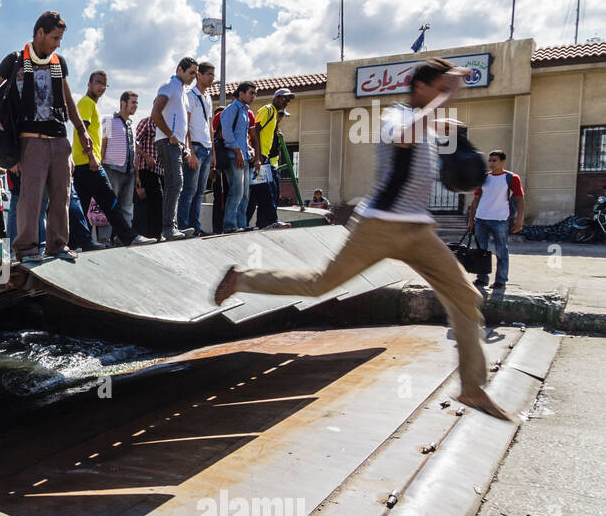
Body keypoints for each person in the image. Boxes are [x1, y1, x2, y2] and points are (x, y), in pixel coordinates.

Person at [213, 58, 509, 420]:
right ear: (421, 88)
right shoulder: (395, 118)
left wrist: (453, 128)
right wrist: (446, 97)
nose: (443, 94)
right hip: (379, 226)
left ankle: (473, 388)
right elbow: (405, 136)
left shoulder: (426, 122)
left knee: (466, 296)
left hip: (418, 230)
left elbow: (432, 132)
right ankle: (242, 278)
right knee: (321, 284)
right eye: (438, 87)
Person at [0, 10, 94, 263]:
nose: (57, 44)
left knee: (62, 197)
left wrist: (81, 129)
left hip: (59, 139)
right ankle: (27, 249)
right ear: (40, 33)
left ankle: (58, 246)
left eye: (60, 40)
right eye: (54, 38)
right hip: (30, 140)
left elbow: (67, 98)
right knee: (30, 199)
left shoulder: (58, 62)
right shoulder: (15, 60)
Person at [71, 70, 150, 249]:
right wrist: (92, 157)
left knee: (83, 206)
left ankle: (77, 243)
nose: (101, 87)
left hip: (83, 164)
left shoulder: (92, 105)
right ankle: (129, 237)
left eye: (104, 84)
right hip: (89, 163)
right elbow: (81, 131)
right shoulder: (85, 103)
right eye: (98, 82)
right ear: (89, 84)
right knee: (111, 202)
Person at [150, 57, 198, 240]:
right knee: (175, 183)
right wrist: (170, 135)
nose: (193, 77)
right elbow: (155, 113)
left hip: (176, 144)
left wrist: (184, 146)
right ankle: (168, 228)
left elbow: (183, 123)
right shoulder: (169, 86)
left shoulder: (183, 92)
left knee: (175, 184)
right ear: (180, 70)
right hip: (166, 142)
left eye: (195, 73)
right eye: (191, 72)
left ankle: (172, 227)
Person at [468, 147, 525, 291]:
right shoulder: (484, 178)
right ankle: (482, 278)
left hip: (500, 219)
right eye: (490, 161)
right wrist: (471, 219)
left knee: (501, 251)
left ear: (503, 161)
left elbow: (519, 199)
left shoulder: (511, 178)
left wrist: (519, 220)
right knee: (481, 250)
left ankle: (500, 280)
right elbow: (475, 199)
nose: (491, 163)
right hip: (481, 219)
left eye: (495, 161)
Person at [248, 89, 295, 230]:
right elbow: (254, 130)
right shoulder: (268, 110)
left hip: (264, 158)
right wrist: (258, 156)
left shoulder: (274, 114)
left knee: (260, 193)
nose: (286, 102)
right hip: (260, 158)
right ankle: (271, 221)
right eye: (284, 99)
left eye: (288, 100)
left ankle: (261, 223)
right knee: (267, 192)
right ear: (276, 98)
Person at [178, 61, 216, 235]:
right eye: (209, 74)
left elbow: (210, 126)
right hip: (195, 147)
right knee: (189, 190)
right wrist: (190, 151)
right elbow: (185, 125)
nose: (212, 78)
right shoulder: (189, 95)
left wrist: (213, 152)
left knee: (200, 191)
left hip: (207, 147)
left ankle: (196, 227)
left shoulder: (208, 98)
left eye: (213, 75)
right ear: (199, 75)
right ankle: (184, 227)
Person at [219, 81, 257, 232]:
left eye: (255, 93)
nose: (253, 96)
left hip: (245, 157)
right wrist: (238, 152)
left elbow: (243, 135)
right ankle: (229, 225)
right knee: (236, 192)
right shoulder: (231, 109)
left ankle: (242, 224)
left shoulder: (246, 112)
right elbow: (227, 133)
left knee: (245, 194)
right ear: (241, 93)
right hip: (234, 157)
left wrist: (249, 149)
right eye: (251, 93)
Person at [103, 90, 140, 234]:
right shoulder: (108, 119)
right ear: (123, 103)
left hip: (129, 172)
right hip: (112, 169)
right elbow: (103, 143)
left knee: (126, 208)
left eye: (137, 103)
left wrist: (136, 175)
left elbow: (133, 150)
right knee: (109, 206)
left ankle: (125, 237)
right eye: (133, 102)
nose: (136, 106)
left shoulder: (130, 124)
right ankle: (105, 239)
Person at [133, 115, 164, 239]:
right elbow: (134, 143)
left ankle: (154, 234)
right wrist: (146, 156)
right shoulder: (146, 122)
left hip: (160, 170)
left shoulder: (164, 125)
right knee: (147, 202)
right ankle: (147, 234)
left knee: (157, 203)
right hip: (144, 168)